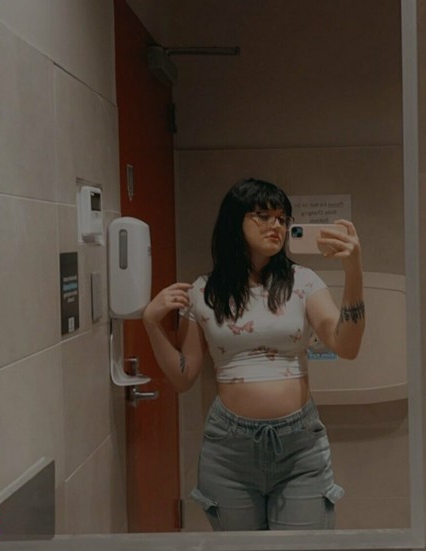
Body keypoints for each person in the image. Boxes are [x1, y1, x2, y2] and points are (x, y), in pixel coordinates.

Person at [141, 178, 366, 531]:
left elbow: (347, 346)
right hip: (229, 451)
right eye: (263, 215)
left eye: (282, 218)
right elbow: (184, 377)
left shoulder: (303, 282)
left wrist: (353, 270)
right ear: (235, 221)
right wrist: (151, 324)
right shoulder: (203, 292)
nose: (276, 225)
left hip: (299, 447)